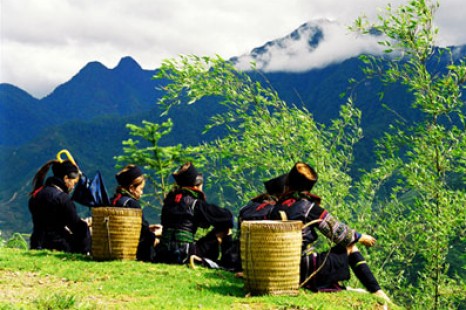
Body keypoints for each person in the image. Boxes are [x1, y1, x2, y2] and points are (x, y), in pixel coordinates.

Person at [270, 162, 390, 302]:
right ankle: (377, 292)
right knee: (350, 246)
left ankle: (355, 289)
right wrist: (360, 237)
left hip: (279, 266)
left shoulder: (277, 206)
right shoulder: (306, 207)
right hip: (300, 269)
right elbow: (339, 232)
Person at [155, 162, 235, 269]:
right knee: (224, 228)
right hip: (184, 254)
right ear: (195, 186)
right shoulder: (194, 204)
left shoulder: (169, 200)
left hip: (163, 253)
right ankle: (230, 263)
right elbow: (227, 217)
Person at [28, 158, 91, 254]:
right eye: (73, 183)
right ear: (66, 178)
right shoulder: (62, 198)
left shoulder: (37, 193)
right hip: (59, 245)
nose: (73, 187)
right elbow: (77, 227)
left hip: (36, 243)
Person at [110, 164, 160, 262]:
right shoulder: (131, 203)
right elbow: (144, 231)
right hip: (131, 249)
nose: (142, 192)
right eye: (141, 189)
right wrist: (156, 234)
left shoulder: (113, 200)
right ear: (132, 188)